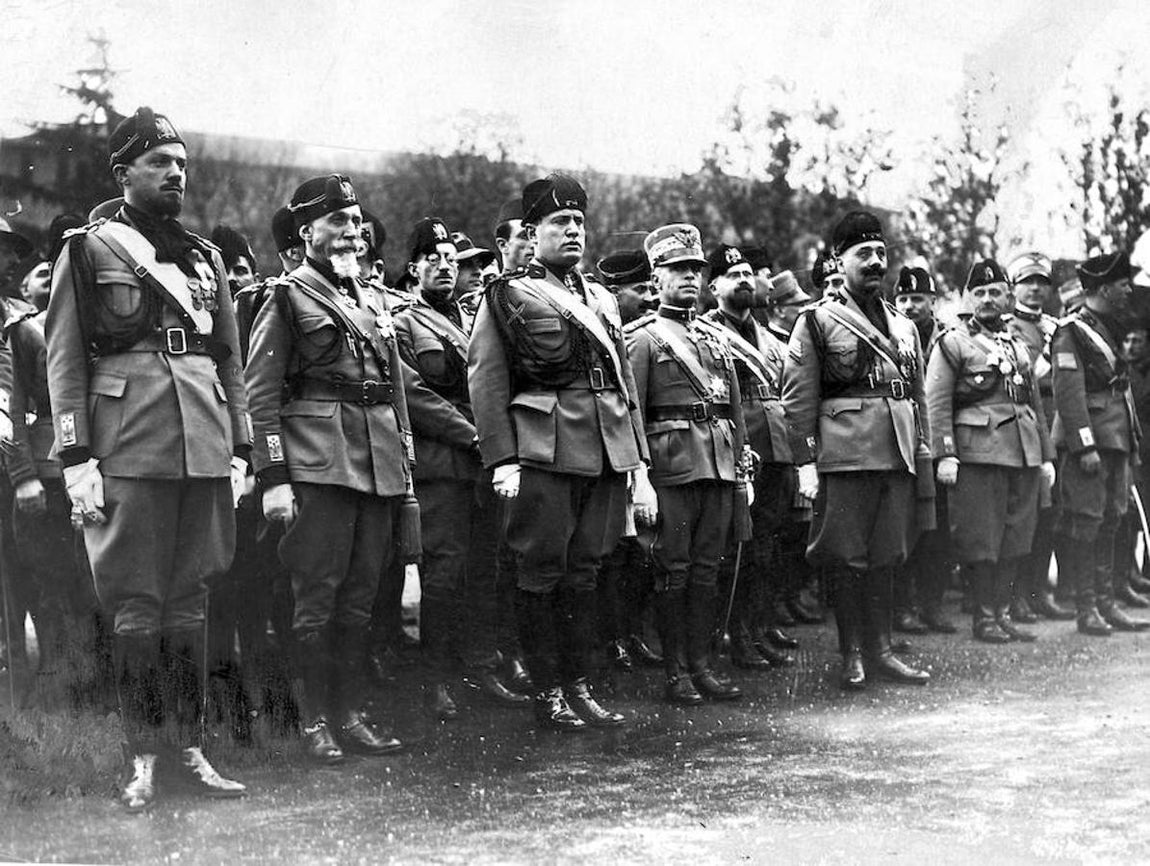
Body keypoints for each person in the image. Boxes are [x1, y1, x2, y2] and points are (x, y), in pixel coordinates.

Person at [45, 107, 249, 811]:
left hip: (203, 443)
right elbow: (65, 361)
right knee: (137, 607)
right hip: (128, 443)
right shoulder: (89, 249)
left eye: (182, 164)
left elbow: (229, 361)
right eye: (161, 163)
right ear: (123, 172)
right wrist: (76, 457)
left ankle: (189, 746)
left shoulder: (204, 256)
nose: (175, 175)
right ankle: (142, 758)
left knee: (191, 602)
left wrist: (242, 445)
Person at [468, 173, 645, 730]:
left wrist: (638, 462)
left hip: (605, 447)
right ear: (532, 231)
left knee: (586, 572)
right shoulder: (509, 294)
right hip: (544, 449)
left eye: (578, 223)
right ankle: (548, 692)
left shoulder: (601, 297)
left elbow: (623, 384)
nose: (572, 232)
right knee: (540, 571)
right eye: (558, 223)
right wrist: (502, 459)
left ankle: (579, 684)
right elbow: (486, 378)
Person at [245, 174, 410, 763]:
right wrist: (274, 477)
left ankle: (350, 712)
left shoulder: (371, 298)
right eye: (337, 221)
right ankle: (312, 717)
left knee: (361, 596)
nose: (351, 231)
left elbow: (394, 391)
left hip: (377, 461)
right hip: (319, 462)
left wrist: (404, 459)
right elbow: (260, 396)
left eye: (355, 220)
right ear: (307, 232)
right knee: (316, 595)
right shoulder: (286, 298)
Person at [780, 210, 933, 691]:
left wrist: (923, 450)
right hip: (844, 456)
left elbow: (918, 395)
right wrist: (805, 463)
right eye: (862, 254)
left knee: (888, 553)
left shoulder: (904, 326)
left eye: (880, 254)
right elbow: (798, 399)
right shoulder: (818, 322)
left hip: (896, 453)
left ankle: (882, 650)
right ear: (837, 261)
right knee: (846, 557)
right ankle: (851, 655)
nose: (874, 262)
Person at [395, 217, 527, 716]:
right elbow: (413, 392)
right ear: (414, 270)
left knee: (486, 565)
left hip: (485, 461)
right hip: (443, 463)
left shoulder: (478, 318)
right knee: (444, 571)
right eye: (433, 259)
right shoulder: (403, 321)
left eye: (450, 259)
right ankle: (435, 678)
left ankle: (482, 666)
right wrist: (472, 434)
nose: (445, 267)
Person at [626, 225, 747, 704]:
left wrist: (739, 465)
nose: (690, 279)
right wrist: (641, 478)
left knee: (707, 570)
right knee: (672, 571)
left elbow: (733, 408)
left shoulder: (715, 338)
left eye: (696, 270)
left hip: (716, 464)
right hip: (671, 467)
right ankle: (675, 672)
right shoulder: (643, 339)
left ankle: (702, 665)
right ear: (656, 279)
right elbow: (633, 411)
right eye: (678, 270)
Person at [927, 260, 1055, 643]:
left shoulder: (1016, 344)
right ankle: (983, 616)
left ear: (1008, 296)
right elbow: (937, 401)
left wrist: (1046, 455)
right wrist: (945, 453)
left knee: (1017, 535)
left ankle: (1002, 612)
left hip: (1023, 450)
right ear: (969, 297)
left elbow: (1034, 404)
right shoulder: (954, 342)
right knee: (982, 537)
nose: (986, 299)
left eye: (994, 292)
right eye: (978, 293)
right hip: (978, 452)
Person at [701, 244, 797, 670]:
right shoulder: (704, 333)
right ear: (713, 286)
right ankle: (732, 635)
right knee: (736, 548)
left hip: (776, 449)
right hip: (739, 449)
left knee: (768, 547)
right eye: (731, 274)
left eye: (746, 272)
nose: (743, 279)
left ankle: (757, 629)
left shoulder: (770, 339)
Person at [1051, 252, 1149, 635]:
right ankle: (1086, 608)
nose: (1128, 291)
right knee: (1087, 523)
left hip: (1118, 438)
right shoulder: (1071, 331)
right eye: (1123, 285)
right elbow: (1068, 394)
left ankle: (1107, 604)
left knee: (1112, 520)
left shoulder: (1110, 323)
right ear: (1105, 288)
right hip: (1091, 443)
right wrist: (1084, 446)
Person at [595, 249, 661, 670]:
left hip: (632, 456)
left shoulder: (633, 333)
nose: (649, 297)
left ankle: (630, 634)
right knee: (609, 557)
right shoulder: (611, 332)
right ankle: (609, 640)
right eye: (639, 290)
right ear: (613, 292)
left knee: (637, 555)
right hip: (604, 453)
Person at [1006, 252, 1078, 621]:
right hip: (1029, 425)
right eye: (1027, 282)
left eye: (1041, 283)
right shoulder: (1007, 328)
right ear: (1014, 286)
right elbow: (1029, 378)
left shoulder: (1055, 326)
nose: (1035, 289)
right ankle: (1017, 594)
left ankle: (1037, 592)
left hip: (1058, 424)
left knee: (1052, 512)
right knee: (1026, 513)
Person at [892, 265, 956, 634]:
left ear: (933, 301)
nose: (911, 306)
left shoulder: (949, 339)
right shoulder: (889, 336)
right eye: (903, 298)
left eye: (918, 298)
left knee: (939, 530)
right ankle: (902, 607)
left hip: (938, 444)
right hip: (903, 442)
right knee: (904, 529)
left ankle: (933, 604)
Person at [492, 198, 535, 274]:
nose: (534, 243)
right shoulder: (492, 285)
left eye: (535, 235)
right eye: (525, 236)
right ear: (503, 245)